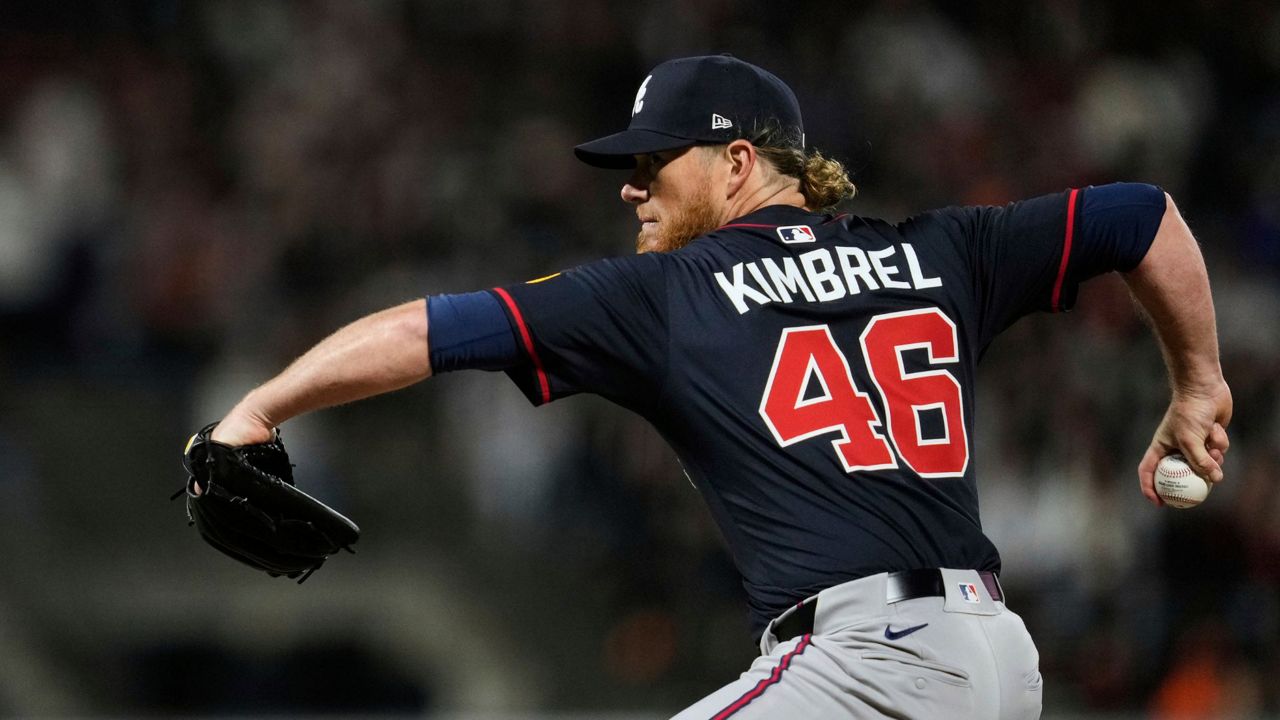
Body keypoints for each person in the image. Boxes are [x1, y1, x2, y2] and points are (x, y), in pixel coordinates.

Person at [203, 55, 1232, 718]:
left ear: (738, 162)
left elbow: (432, 329)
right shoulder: (939, 249)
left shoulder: (667, 294)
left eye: (656, 161)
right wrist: (1195, 387)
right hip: (996, 662)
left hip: (865, 667)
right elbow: (1138, 214)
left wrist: (258, 410)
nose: (630, 184)